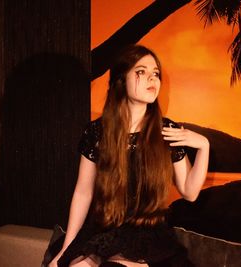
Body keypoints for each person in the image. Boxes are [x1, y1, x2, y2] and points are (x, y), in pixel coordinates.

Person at [48, 44, 209, 267]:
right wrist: (67, 247)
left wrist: (204, 146)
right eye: (141, 72)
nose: (152, 79)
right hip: (103, 228)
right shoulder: (97, 131)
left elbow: (190, 192)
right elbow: (83, 191)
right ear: (121, 80)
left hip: (147, 234)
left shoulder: (167, 131)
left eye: (156, 74)